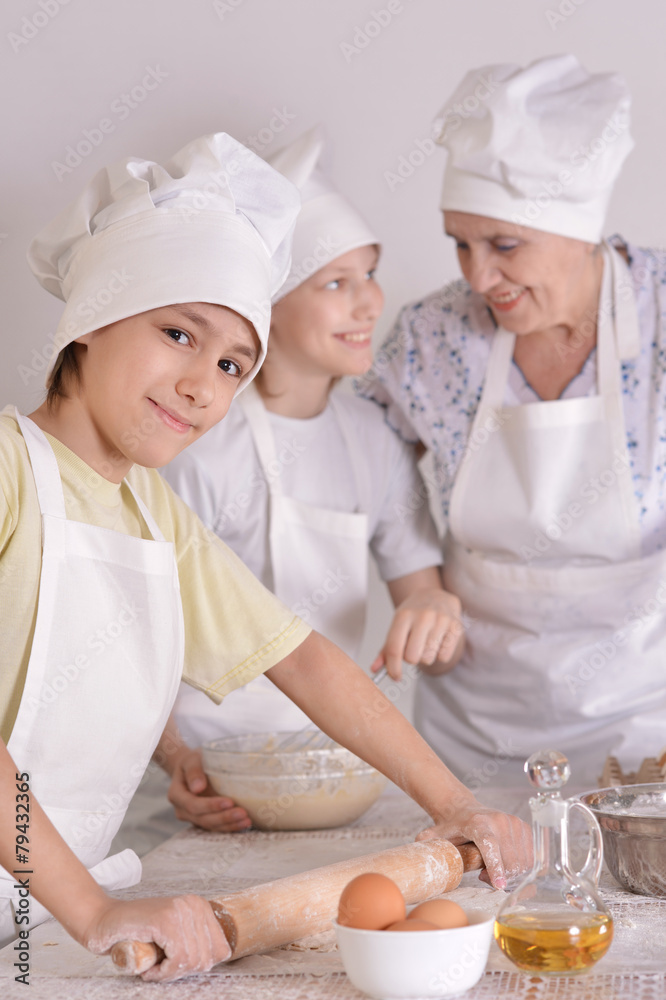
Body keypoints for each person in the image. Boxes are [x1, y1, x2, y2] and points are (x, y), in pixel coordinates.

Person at [0, 132, 530, 981]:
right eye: (177, 331)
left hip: (44, 916)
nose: (201, 385)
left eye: (230, 364)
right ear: (90, 316)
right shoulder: (8, 469)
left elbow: (307, 660)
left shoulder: (153, 513)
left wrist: (456, 806)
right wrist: (93, 908)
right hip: (69, 906)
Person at [358, 53, 666, 790]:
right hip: (476, 725)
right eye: (459, 243)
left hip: (649, 720)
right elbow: (371, 463)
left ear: (580, 230)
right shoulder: (435, 334)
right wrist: (420, 588)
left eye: (504, 245)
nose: (477, 276)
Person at [159, 129, 464, 840]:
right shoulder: (197, 441)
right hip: (204, 788)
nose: (369, 304)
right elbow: (134, 637)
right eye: (335, 282)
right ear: (268, 304)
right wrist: (177, 761)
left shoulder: (376, 440)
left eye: (370, 274)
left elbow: (420, 590)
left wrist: (437, 609)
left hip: (335, 773)